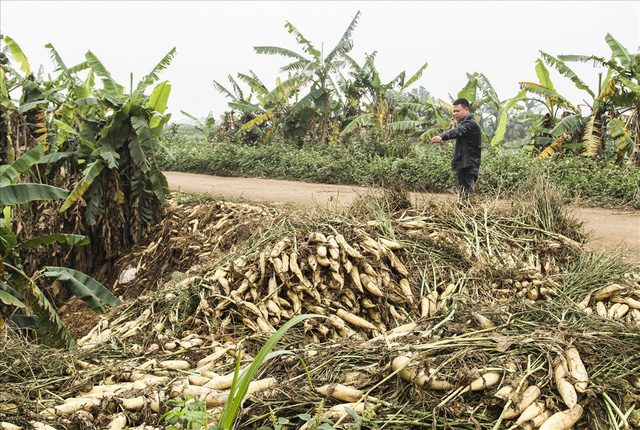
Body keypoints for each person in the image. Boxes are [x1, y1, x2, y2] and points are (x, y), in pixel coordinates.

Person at [431, 98, 481, 197]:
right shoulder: (467, 123)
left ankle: (469, 211)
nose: (454, 113)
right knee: (465, 194)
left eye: (457, 111)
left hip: (467, 164)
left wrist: (441, 136)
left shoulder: (470, 124)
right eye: (454, 111)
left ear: (466, 109)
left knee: (467, 195)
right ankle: (467, 210)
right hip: (467, 163)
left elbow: (457, 131)